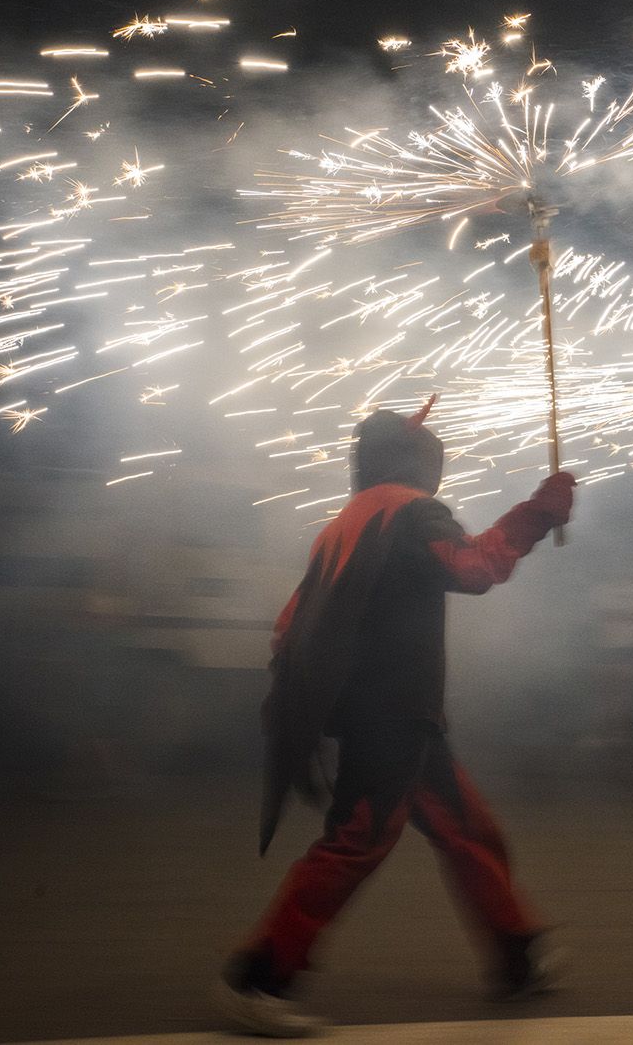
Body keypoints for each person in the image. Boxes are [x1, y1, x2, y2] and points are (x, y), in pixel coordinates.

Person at [216, 398, 575, 1037]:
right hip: (392, 711)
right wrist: (536, 516)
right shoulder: (413, 511)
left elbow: (291, 622)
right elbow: (475, 568)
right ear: (417, 462)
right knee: (358, 840)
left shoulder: (345, 522)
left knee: (466, 827)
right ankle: (261, 977)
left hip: (388, 712)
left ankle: (518, 954)